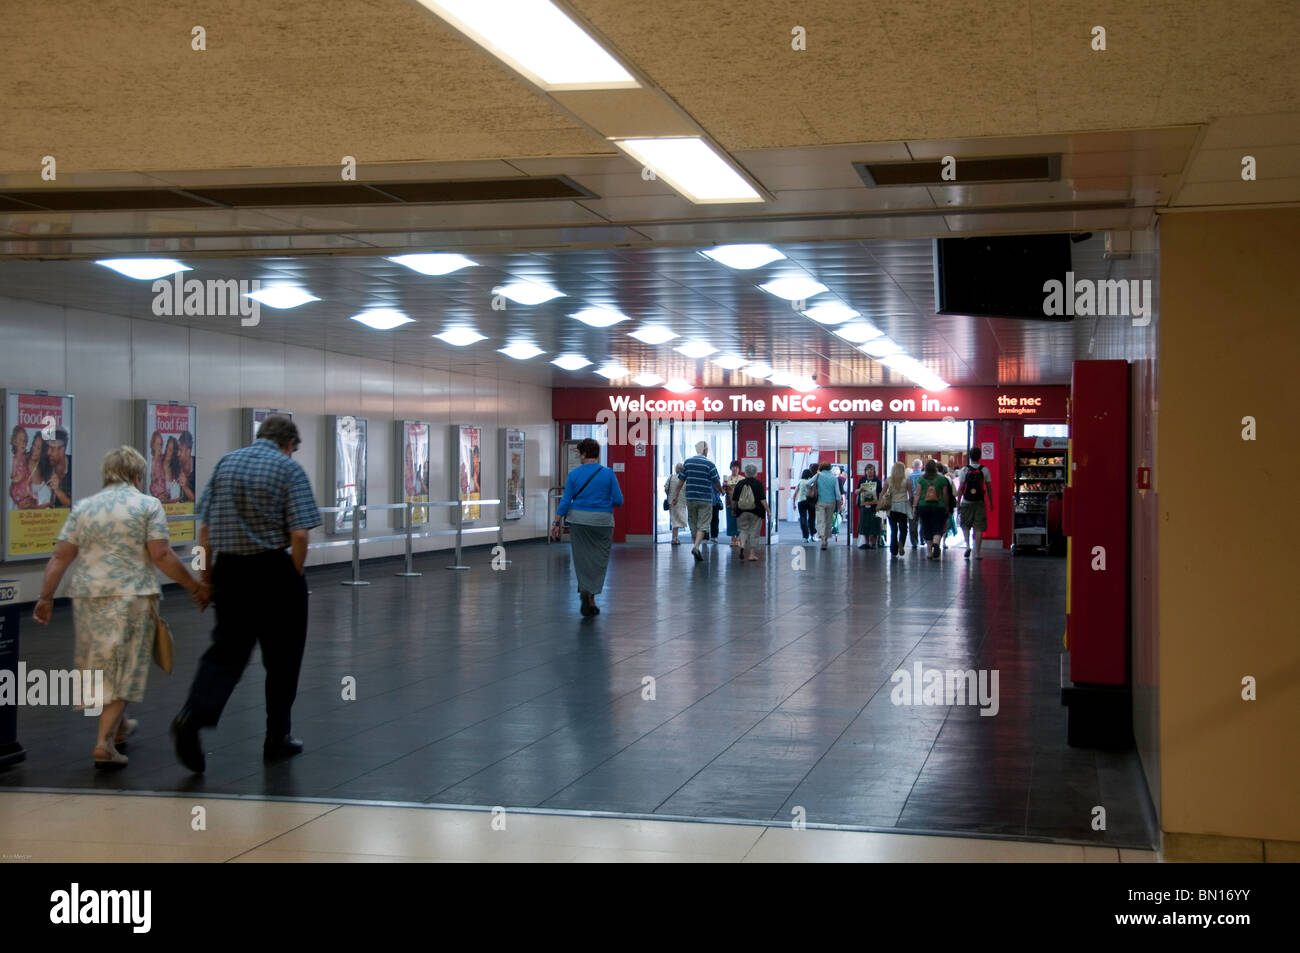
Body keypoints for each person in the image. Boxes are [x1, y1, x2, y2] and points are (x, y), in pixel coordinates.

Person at [32, 447, 209, 769]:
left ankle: (121, 725)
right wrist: (194, 586)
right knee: (125, 665)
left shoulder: (85, 507)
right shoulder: (147, 505)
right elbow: (162, 555)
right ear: (138, 475)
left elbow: (60, 556)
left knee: (100, 662)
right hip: (132, 596)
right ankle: (104, 744)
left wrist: (45, 598)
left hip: (88, 597)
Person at [171, 415, 322, 774]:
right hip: (273, 570)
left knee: (225, 653)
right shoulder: (288, 469)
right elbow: (300, 535)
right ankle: (277, 738)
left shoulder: (226, 463)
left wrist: (205, 579)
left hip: (229, 572)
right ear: (288, 444)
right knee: (283, 659)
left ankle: (193, 717)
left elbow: (204, 531)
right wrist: (293, 573)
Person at [551, 437, 623, 616]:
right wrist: (602, 501)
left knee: (582, 559)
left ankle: (585, 591)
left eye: (580, 454)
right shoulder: (608, 473)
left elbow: (566, 501)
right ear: (597, 454)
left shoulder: (574, 475)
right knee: (599, 559)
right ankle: (591, 597)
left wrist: (556, 522)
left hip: (579, 521)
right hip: (602, 521)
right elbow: (619, 500)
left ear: (583, 454)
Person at [674, 441, 724, 562]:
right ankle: (696, 547)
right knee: (703, 524)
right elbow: (716, 481)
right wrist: (721, 490)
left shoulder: (687, 462)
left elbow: (680, 482)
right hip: (705, 499)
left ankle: (696, 547)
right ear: (705, 450)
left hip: (690, 498)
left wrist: (675, 496)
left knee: (693, 523)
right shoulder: (710, 464)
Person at [958, 448, 994, 560]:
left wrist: (958, 502)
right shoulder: (985, 470)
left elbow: (961, 488)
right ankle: (977, 552)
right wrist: (990, 502)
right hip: (979, 502)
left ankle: (968, 546)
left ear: (970, 457)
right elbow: (988, 488)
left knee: (965, 525)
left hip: (966, 502)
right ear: (980, 456)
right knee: (978, 528)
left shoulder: (964, 470)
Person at [916, 460, 952, 559]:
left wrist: (915, 506)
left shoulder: (921, 479)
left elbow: (918, 494)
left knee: (926, 527)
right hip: (938, 506)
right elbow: (945, 495)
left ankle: (929, 552)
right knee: (938, 527)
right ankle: (936, 543)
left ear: (925, 468)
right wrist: (947, 506)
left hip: (924, 506)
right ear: (935, 468)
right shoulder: (942, 479)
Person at [878, 461, 914, 558]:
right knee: (903, 528)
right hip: (903, 506)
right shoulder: (907, 481)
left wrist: (879, 503)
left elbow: (882, 493)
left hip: (892, 507)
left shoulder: (889, 480)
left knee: (894, 529)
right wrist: (912, 506)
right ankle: (901, 542)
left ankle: (893, 550)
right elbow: (911, 496)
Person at [731, 463, 766, 561]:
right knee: (754, 532)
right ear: (756, 473)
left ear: (745, 473)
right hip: (756, 512)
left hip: (741, 511)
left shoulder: (740, 483)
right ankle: (752, 554)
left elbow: (734, 500)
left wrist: (734, 510)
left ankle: (742, 545)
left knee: (743, 530)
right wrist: (768, 510)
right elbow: (763, 500)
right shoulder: (758, 484)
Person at [813, 462, 841, 551]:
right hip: (831, 502)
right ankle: (826, 539)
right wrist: (839, 505)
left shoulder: (818, 476)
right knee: (828, 522)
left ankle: (823, 540)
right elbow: (838, 493)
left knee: (820, 521)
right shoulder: (834, 478)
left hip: (820, 501)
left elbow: (807, 483)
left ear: (821, 467)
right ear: (829, 468)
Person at [856, 464, 882, 549]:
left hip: (874, 506)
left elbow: (881, 493)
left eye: (871, 469)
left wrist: (879, 502)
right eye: (868, 469)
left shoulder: (877, 481)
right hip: (864, 505)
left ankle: (874, 543)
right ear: (865, 471)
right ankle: (866, 542)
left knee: (875, 524)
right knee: (865, 524)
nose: (870, 471)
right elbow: (856, 492)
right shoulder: (862, 480)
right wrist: (860, 490)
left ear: (874, 471)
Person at [9, 425, 34, 508]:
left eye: (24, 440)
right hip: (19, 486)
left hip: (26, 484)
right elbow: (12, 475)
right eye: (20, 440)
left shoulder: (26, 457)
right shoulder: (15, 459)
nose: (23, 443)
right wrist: (17, 478)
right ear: (15, 442)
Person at [665, 463, 688, 545]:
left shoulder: (671, 477)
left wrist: (670, 495)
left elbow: (666, 488)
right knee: (678, 520)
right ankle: (675, 538)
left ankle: (674, 538)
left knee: (674, 519)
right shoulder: (685, 479)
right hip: (681, 501)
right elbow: (687, 490)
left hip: (671, 501)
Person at [906, 459, 924, 552]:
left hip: (912, 499)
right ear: (921, 466)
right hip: (923, 500)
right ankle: (923, 539)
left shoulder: (908, 476)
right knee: (923, 520)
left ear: (913, 467)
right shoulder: (924, 476)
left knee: (913, 521)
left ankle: (914, 542)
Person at [723, 460, 743, 549]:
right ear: (730, 468)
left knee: (739, 521)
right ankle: (732, 539)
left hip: (740, 504)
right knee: (731, 520)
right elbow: (722, 493)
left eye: (736, 467)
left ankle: (738, 539)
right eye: (733, 467)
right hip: (729, 504)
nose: (735, 469)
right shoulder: (727, 479)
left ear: (739, 468)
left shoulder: (742, 479)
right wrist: (724, 487)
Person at [795, 468, 813, 541]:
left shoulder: (800, 481)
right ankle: (813, 535)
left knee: (803, 518)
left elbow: (795, 493)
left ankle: (805, 537)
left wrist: (793, 502)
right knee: (811, 518)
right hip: (810, 501)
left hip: (801, 501)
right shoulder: (811, 482)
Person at [148, 431, 167, 500]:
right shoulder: (153, 460)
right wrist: (156, 457)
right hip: (155, 492)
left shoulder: (163, 459)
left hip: (163, 491)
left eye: (160, 444)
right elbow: (152, 477)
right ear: (153, 446)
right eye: (157, 444)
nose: (159, 447)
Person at [178, 431, 196, 502]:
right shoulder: (177, 466)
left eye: (181, 450)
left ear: (188, 452)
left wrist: (185, 487)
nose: (178, 454)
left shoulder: (197, 467)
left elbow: (197, 500)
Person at [163, 436, 182, 502]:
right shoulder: (158, 467)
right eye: (167, 448)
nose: (168, 452)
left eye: (171, 450)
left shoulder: (176, 471)